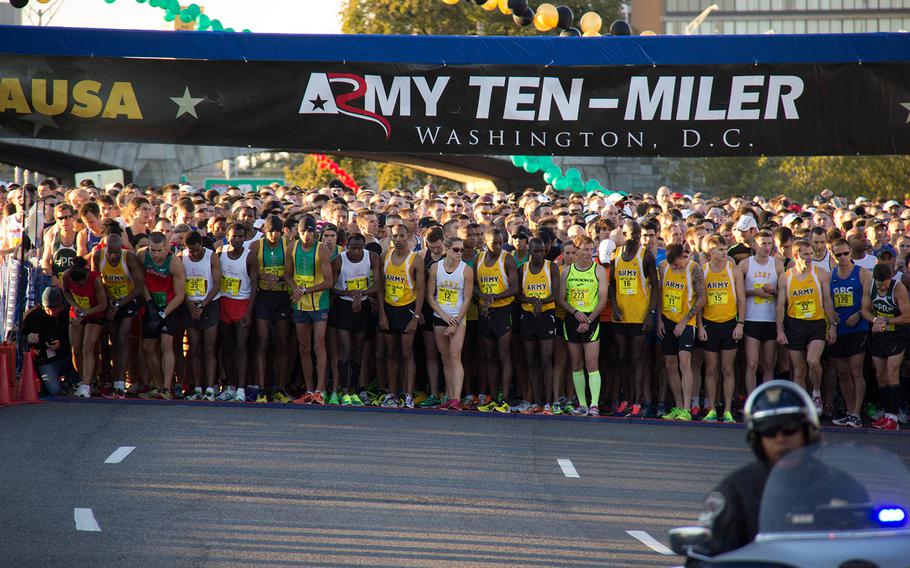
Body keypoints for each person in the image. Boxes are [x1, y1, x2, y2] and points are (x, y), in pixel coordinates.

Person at [687, 380, 819, 564]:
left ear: (808, 431)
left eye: (789, 429)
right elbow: (701, 557)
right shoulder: (735, 491)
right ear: (756, 439)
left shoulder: (840, 486)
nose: (780, 439)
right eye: (769, 431)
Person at [776, 240, 836, 414]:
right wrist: (779, 329)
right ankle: (799, 402)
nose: (810, 257)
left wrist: (832, 325)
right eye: (805, 254)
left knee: (813, 361)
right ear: (796, 256)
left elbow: (827, 301)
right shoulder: (785, 277)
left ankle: (816, 393)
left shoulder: (821, 274)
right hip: (794, 324)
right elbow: (780, 305)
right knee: (799, 369)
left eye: (811, 254)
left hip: (816, 323)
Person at [610, 220, 659, 417]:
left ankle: (638, 401)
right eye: (633, 234)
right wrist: (613, 305)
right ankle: (627, 400)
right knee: (623, 358)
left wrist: (650, 313)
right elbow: (612, 284)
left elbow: (655, 285)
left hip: (640, 316)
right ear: (624, 234)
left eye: (639, 235)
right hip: (621, 315)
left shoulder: (646, 255)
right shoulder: (616, 254)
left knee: (638, 359)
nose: (637, 238)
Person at [557, 235, 609, 416]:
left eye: (591, 249)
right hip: (573, 319)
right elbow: (561, 298)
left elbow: (603, 299)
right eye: (585, 249)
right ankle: (582, 404)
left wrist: (588, 320)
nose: (589, 253)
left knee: (591, 362)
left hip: (591, 319)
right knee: (576, 363)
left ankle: (594, 404)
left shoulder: (599, 271)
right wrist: (574, 313)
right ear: (576, 250)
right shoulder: (566, 271)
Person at [286, 215, 333, 404]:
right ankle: (309, 389)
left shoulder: (321, 250)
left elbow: (329, 281)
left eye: (311, 232)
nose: (308, 235)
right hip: (300, 304)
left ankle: (319, 391)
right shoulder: (292, 248)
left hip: (319, 303)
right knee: (304, 347)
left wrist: (305, 290)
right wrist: (295, 288)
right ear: (299, 232)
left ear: (316, 233)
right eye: (304, 231)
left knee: (318, 345)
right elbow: (287, 275)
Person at [330, 233, 381, 406]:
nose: (356, 252)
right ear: (346, 246)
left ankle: (354, 389)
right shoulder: (339, 260)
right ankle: (344, 390)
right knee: (345, 348)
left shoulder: (372, 257)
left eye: (359, 248)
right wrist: (349, 293)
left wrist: (361, 294)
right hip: (344, 306)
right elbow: (331, 287)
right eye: (352, 248)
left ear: (364, 247)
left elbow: (378, 285)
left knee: (358, 350)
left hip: (363, 306)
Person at [698, 236, 745, 423]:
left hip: (729, 324)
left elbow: (741, 298)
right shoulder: (703, 270)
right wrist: (700, 326)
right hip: (710, 324)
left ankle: (727, 410)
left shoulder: (733, 270)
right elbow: (699, 302)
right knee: (711, 369)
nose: (724, 253)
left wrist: (740, 324)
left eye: (725, 249)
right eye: (720, 250)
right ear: (711, 252)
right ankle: (711, 409)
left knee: (727, 369)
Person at [378, 223, 425, 408]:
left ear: (408, 236)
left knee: (406, 353)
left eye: (401, 236)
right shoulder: (385, 256)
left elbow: (421, 291)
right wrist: (382, 313)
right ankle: (392, 393)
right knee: (391, 353)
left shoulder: (415, 260)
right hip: (390, 308)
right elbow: (381, 288)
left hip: (408, 309)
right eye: (395, 236)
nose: (398, 240)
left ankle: (408, 394)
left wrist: (415, 317)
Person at [92, 233, 144, 398]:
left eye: (116, 252)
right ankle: (110, 380)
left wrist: (119, 304)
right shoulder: (98, 256)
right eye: (111, 252)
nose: (114, 256)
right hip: (109, 299)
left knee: (122, 339)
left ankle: (120, 382)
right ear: (105, 248)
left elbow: (139, 287)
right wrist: (110, 302)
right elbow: (96, 282)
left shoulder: (129, 258)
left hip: (127, 299)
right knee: (111, 340)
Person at [658, 243, 706, 421]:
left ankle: (687, 407)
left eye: (676, 263)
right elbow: (660, 293)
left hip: (686, 322)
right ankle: (678, 406)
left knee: (685, 363)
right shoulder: (664, 267)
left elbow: (702, 298)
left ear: (683, 256)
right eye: (671, 264)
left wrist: (684, 321)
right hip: (667, 319)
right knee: (669, 364)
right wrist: (659, 321)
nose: (674, 267)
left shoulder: (694, 268)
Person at [425, 236, 473, 410]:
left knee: (455, 356)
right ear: (446, 249)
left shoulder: (466, 270)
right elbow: (430, 295)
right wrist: (443, 315)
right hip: (441, 315)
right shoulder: (435, 268)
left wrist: (455, 321)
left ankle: (456, 398)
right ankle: (449, 395)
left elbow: (467, 298)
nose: (460, 253)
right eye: (456, 250)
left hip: (457, 317)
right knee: (445, 358)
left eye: (462, 250)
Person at [828, 238, 871, 429]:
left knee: (856, 370)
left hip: (858, 327)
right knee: (842, 373)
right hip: (839, 328)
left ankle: (856, 412)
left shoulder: (862, 273)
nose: (843, 257)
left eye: (846, 253)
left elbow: (869, 301)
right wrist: (831, 322)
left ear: (850, 252)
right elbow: (827, 300)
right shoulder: (830, 275)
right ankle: (849, 410)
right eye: (838, 255)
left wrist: (859, 313)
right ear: (833, 255)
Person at [137, 232, 186, 400]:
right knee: (148, 347)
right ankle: (157, 386)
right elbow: (141, 280)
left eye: (159, 250)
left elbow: (180, 294)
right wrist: (150, 302)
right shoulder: (142, 255)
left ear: (166, 247)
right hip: (152, 304)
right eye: (152, 250)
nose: (155, 255)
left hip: (170, 306)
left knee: (166, 344)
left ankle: (166, 388)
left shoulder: (174, 263)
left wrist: (164, 313)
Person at [474, 227, 518, 412]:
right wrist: (482, 298)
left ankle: (505, 398)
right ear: (486, 243)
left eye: (501, 242)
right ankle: (492, 397)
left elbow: (515, 288)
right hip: (486, 313)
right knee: (489, 356)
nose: (499, 246)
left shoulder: (507, 258)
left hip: (503, 311)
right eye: (495, 244)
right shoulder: (479, 258)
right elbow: (474, 285)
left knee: (504, 355)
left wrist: (492, 298)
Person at [861, 263, 909, 431]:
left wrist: (887, 321)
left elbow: (907, 316)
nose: (882, 286)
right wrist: (875, 320)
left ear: (891, 278)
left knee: (892, 371)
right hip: (879, 333)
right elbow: (864, 310)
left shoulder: (898, 288)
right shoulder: (869, 285)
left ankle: (894, 416)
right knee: (880, 374)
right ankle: (886, 412)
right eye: (879, 283)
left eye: (885, 283)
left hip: (897, 334)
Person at [217, 223, 259, 402]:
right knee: (227, 347)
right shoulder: (220, 252)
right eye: (234, 236)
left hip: (242, 304)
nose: (238, 240)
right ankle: (230, 386)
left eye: (241, 237)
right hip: (224, 302)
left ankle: (241, 388)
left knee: (241, 347)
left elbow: (255, 286)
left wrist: (249, 312)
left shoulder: (250, 257)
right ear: (228, 236)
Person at [740, 229, 784, 397]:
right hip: (751, 318)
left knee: (769, 366)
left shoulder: (777, 264)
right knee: (751, 364)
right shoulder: (745, 264)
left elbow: (784, 294)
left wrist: (773, 292)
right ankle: (751, 401)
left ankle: (767, 402)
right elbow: (737, 293)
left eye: (769, 243)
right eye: (763, 244)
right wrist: (755, 292)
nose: (767, 247)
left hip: (771, 319)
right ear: (754, 245)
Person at [518, 237, 559, 414]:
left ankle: (548, 402)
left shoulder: (552, 267)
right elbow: (517, 294)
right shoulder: (523, 269)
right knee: (531, 360)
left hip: (546, 315)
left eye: (542, 251)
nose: (540, 254)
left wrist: (540, 302)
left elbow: (556, 293)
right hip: (527, 316)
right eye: (536, 251)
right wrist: (531, 300)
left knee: (545, 359)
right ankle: (536, 401)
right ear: (530, 251)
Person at [254, 215, 293, 403]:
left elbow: (292, 272)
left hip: (282, 297)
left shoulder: (288, 246)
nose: (274, 235)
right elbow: (250, 271)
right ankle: (262, 388)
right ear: (264, 230)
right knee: (262, 341)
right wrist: (263, 275)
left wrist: (278, 278)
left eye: (277, 231)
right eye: (271, 231)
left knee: (282, 343)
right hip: (263, 297)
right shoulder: (256, 246)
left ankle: (280, 387)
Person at [181, 230, 221, 401]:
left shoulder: (211, 257)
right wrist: (190, 305)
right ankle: (197, 387)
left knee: (210, 348)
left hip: (209, 304)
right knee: (194, 348)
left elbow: (218, 284)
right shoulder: (181, 257)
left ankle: (210, 388)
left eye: (197, 250)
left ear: (201, 245)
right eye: (191, 251)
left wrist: (203, 305)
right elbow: (179, 284)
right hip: (190, 304)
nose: (195, 253)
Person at [60, 257, 107, 398]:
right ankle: (82, 379)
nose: (80, 287)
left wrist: (85, 313)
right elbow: (67, 293)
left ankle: (88, 384)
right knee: (76, 348)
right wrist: (75, 306)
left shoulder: (95, 279)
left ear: (86, 277)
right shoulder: (66, 276)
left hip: (94, 313)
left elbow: (103, 305)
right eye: (77, 284)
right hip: (77, 311)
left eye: (82, 283)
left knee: (88, 347)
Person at [21, 287, 78, 396]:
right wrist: (27, 337)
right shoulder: (33, 316)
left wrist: (62, 343)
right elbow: (13, 336)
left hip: (67, 356)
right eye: (48, 309)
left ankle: (71, 382)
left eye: (55, 308)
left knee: (78, 354)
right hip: (45, 359)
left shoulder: (68, 313)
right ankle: (58, 385)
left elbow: (79, 337)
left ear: (61, 305)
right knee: (54, 390)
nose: (51, 312)